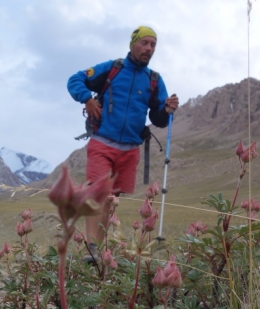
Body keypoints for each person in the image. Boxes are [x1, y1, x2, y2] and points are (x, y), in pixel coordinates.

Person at [67, 25, 179, 263]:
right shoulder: (112, 69)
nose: (149, 48)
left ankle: (99, 250)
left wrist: (168, 109)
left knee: (110, 198)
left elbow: (159, 118)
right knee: (99, 192)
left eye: (153, 45)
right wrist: (87, 99)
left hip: (130, 149)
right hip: (102, 142)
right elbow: (75, 80)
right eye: (145, 43)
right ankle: (92, 248)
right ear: (133, 44)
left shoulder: (155, 81)